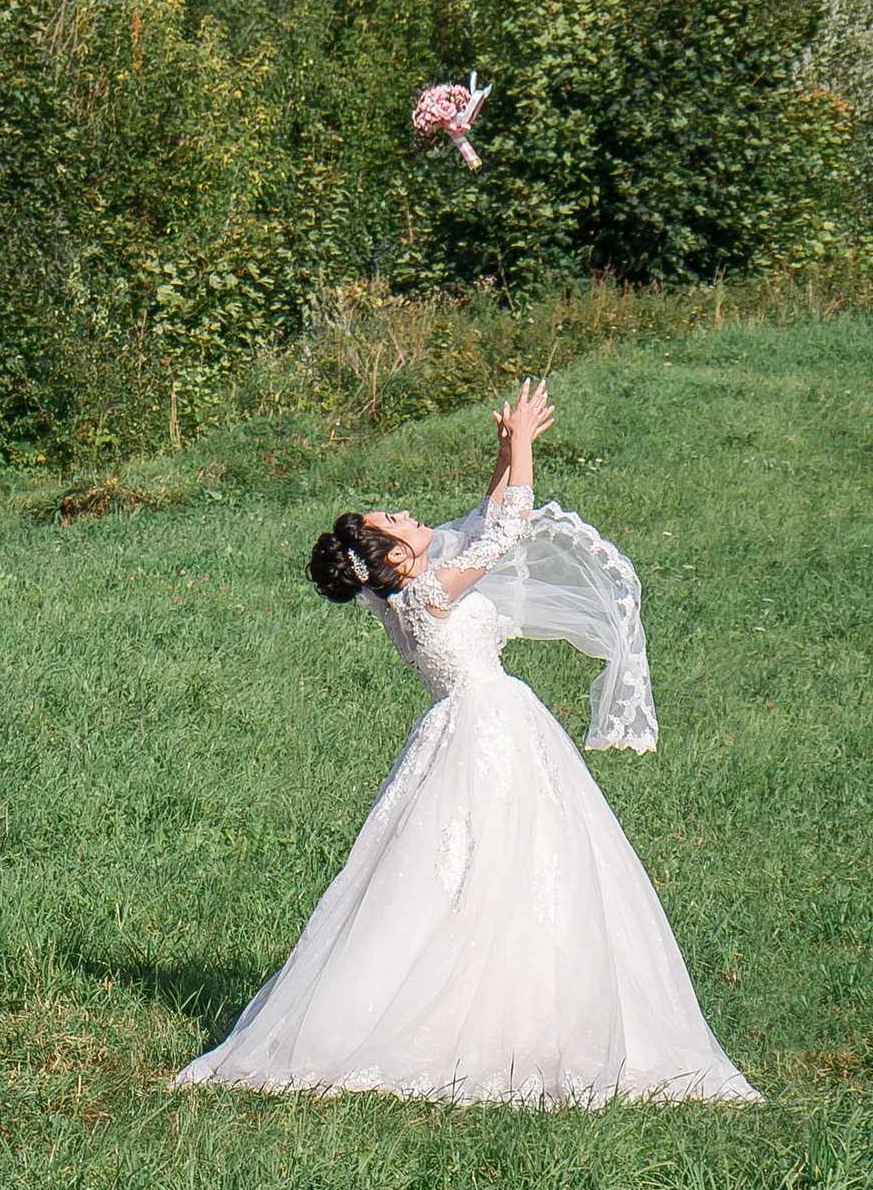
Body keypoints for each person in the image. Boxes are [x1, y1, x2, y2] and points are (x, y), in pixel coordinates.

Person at [174, 380, 757, 1105]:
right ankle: (497, 1024)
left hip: (471, 727)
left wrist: (505, 453)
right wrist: (521, 447)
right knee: (507, 863)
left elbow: (483, 518)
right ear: (396, 556)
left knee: (485, 869)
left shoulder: (406, 596)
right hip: (491, 727)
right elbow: (507, 532)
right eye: (396, 518)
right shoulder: (426, 594)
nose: (411, 512)